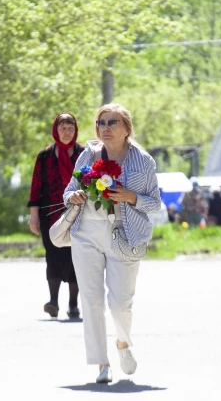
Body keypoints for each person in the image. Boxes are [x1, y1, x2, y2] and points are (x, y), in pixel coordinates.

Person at [64, 103, 161, 383]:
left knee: (120, 303)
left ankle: (122, 342)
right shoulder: (89, 154)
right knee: (91, 301)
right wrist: (73, 197)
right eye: (101, 123)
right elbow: (70, 190)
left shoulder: (143, 161)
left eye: (112, 123)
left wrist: (131, 197)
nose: (105, 128)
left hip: (125, 233)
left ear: (126, 128)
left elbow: (154, 203)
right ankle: (101, 363)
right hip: (86, 233)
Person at [28, 113, 84, 319]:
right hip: (50, 216)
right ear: (56, 130)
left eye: (70, 128)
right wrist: (34, 215)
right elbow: (36, 186)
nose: (67, 132)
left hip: (78, 214)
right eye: (63, 128)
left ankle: (73, 304)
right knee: (53, 256)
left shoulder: (84, 154)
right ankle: (53, 301)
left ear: (75, 130)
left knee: (76, 257)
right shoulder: (45, 156)